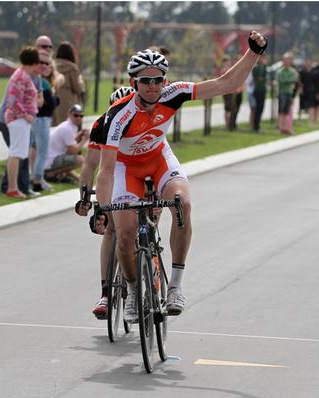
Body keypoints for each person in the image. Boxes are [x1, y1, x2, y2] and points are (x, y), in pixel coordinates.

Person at [93, 31, 268, 323]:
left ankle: (175, 285)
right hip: (127, 168)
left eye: (158, 79)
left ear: (165, 80)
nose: (153, 86)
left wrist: (253, 53)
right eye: (145, 80)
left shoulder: (175, 93)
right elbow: (107, 170)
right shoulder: (117, 116)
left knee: (182, 205)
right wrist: (101, 207)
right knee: (123, 234)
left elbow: (227, 83)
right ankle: (134, 290)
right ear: (133, 83)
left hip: (159, 159)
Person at [75, 87, 135, 319]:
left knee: (146, 219)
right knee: (111, 227)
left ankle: (148, 272)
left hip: (139, 176)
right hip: (113, 179)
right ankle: (106, 293)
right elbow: (90, 165)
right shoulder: (102, 126)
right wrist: (85, 198)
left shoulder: (145, 122)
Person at [4, 47, 42, 199]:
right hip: (18, 120)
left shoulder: (23, 75)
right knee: (16, 153)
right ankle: (12, 188)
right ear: (33, 62)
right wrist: (25, 115)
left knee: (17, 153)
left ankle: (13, 187)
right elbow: (13, 100)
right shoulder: (21, 76)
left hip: (20, 120)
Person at [29, 50, 61, 193]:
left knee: (36, 150)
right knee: (42, 152)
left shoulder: (42, 81)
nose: (44, 66)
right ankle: (37, 181)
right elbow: (50, 103)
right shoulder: (41, 81)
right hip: (41, 120)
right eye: (40, 63)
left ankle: (38, 178)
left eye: (47, 63)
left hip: (39, 120)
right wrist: (55, 99)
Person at [44, 104, 87, 182]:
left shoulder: (69, 126)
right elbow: (73, 151)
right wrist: (84, 140)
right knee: (80, 160)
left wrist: (78, 136)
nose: (78, 118)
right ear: (69, 114)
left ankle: (61, 175)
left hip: (52, 158)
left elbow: (70, 143)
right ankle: (50, 174)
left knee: (70, 160)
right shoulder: (67, 128)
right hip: (51, 160)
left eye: (81, 116)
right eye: (76, 115)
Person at [53, 42, 85, 125]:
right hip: (69, 102)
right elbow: (77, 88)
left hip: (55, 101)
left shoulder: (52, 66)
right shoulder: (72, 68)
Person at [277, 51, 299, 135]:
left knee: (287, 112)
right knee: (281, 111)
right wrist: (288, 80)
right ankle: (281, 128)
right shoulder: (280, 71)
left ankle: (286, 128)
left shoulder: (293, 71)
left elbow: (293, 80)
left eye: (288, 59)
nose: (286, 61)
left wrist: (287, 81)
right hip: (282, 92)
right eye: (285, 59)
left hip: (289, 93)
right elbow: (281, 81)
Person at [251, 55, 268, 132]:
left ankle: (257, 125)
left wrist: (264, 66)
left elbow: (265, 78)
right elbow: (260, 78)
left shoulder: (263, 67)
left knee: (261, 109)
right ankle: (255, 126)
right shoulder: (256, 67)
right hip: (258, 90)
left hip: (263, 90)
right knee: (258, 109)